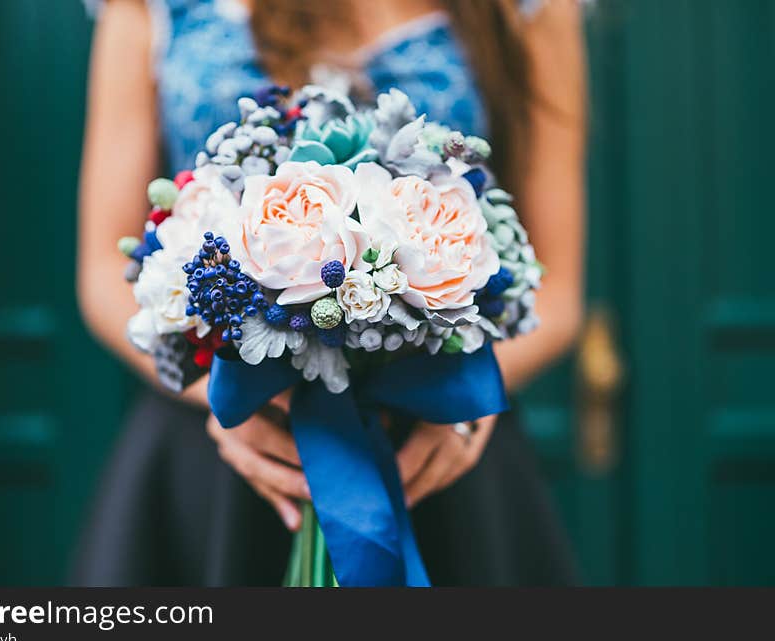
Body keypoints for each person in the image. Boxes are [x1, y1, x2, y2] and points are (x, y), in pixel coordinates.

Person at [76, 0, 586, 585]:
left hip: (438, 457)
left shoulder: (529, 12)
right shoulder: (150, 10)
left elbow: (559, 294)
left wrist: (461, 408)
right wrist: (228, 402)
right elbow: (102, 277)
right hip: (223, 459)